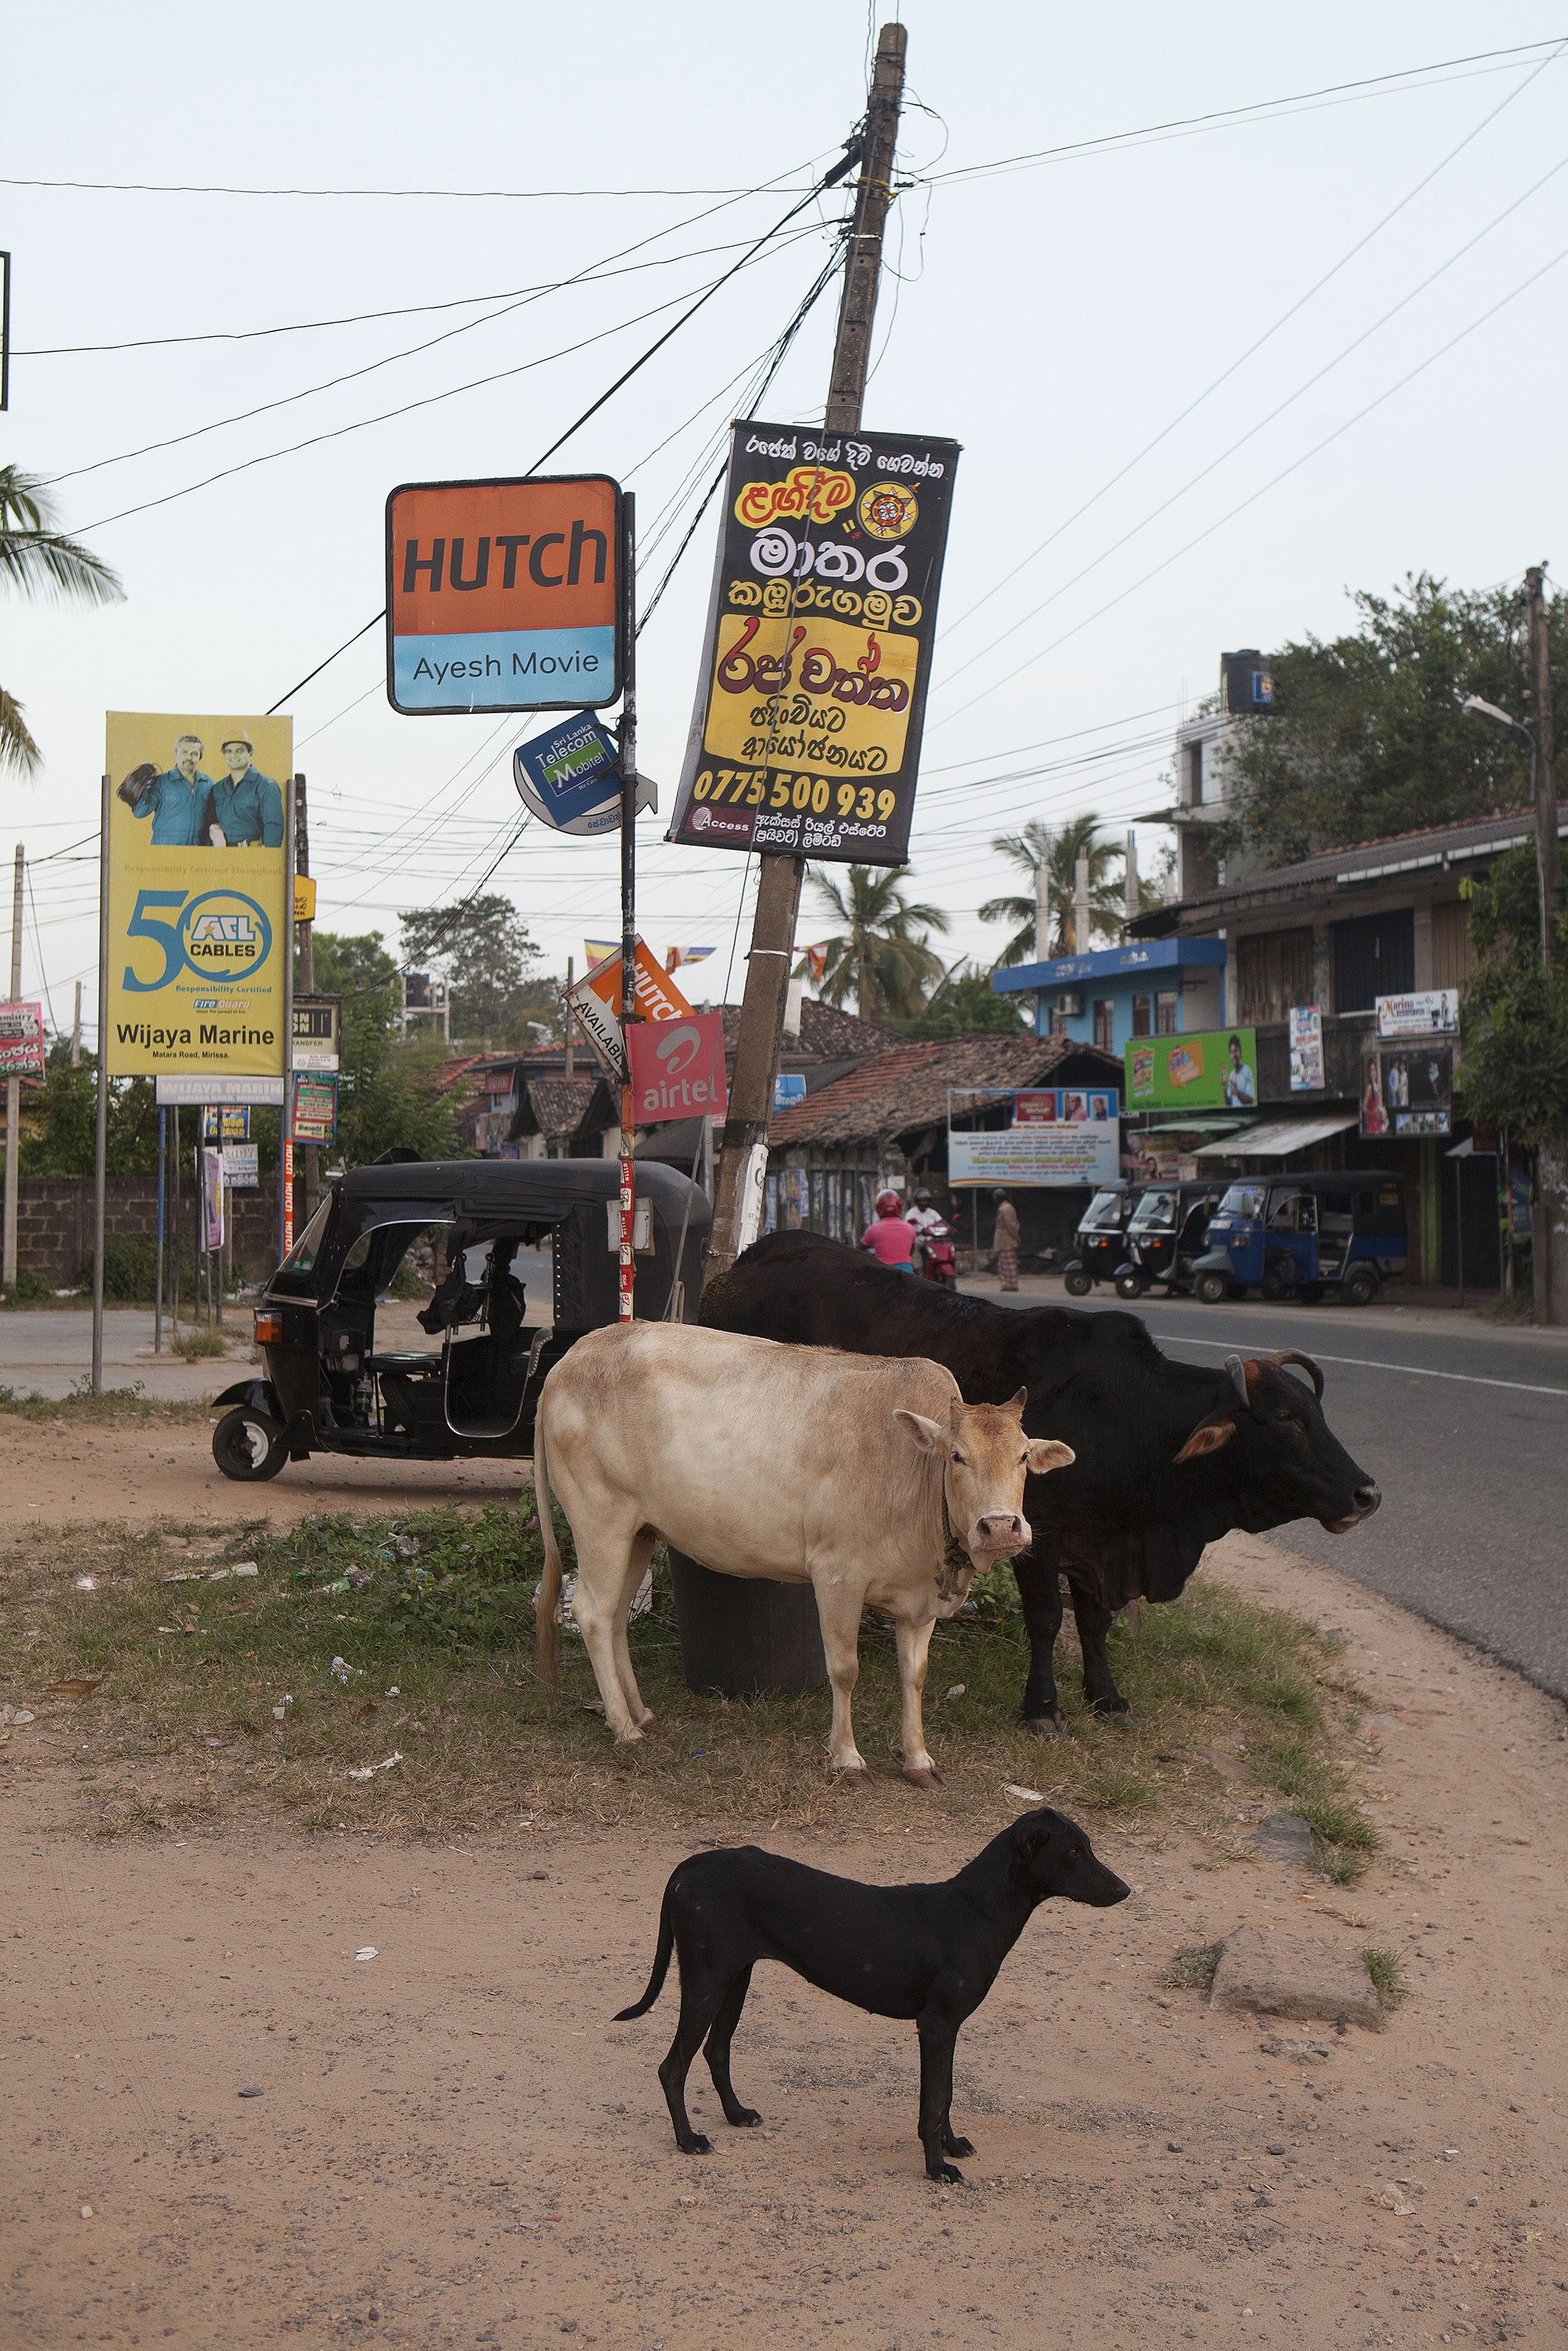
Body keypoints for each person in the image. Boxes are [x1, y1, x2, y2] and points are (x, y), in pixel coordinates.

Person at [118, 734, 215, 846]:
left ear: (200, 757)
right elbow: (140, 813)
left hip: (198, 849)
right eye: (184, 752)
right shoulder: (161, 782)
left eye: (194, 754)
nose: (189, 757)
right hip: (165, 849)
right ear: (175, 754)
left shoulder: (208, 783)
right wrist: (144, 785)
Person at [207, 730, 285, 848]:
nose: (234, 755)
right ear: (223, 754)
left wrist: (268, 859)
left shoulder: (266, 786)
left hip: (252, 856)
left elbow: (274, 826)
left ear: (251, 752)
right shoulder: (218, 788)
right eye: (229, 751)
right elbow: (212, 823)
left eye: (240, 750)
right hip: (222, 856)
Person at [861, 1189, 916, 1271]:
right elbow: (911, 1252)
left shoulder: (873, 1229)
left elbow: (859, 1251)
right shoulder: (910, 1228)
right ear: (899, 1208)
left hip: (883, 1272)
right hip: (907, 1271)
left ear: (878, 1208)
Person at [991, 1188, 1022, 1292]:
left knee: (1009, 1264)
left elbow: (1012, 1225)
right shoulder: (1004, 1207)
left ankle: (1012, 1284)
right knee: (1003, 1264)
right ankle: (1007, 1284)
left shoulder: (1006, 1209)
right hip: (1003, 1240)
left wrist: (1016, 1238)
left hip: (1007, 1240)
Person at [1221, 1034, 1257, 1108]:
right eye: (1232, 1052)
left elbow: (1251, 1100)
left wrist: (1236, 1091)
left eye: (1236, 1051)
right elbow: (1229, 1105)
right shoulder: (1231, 1075)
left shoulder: (1247, 1070)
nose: (1234, 1055)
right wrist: (1224, 1091)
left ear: (1240, 1052)